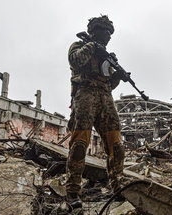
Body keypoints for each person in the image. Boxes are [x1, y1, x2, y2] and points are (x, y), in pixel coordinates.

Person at [65, 15, 125, 210]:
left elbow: (108, 84)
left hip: (105, 99)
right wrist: (92, 46)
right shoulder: (79, 46)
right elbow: (76, 62)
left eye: (110, 33)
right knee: (80, 144)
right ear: (94, 31)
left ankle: (117, 186)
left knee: (116, 145)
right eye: (105, 31)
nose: (108, 36)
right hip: (85, 96)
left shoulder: (106, 56)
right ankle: (73, 192)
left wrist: (118, 76)